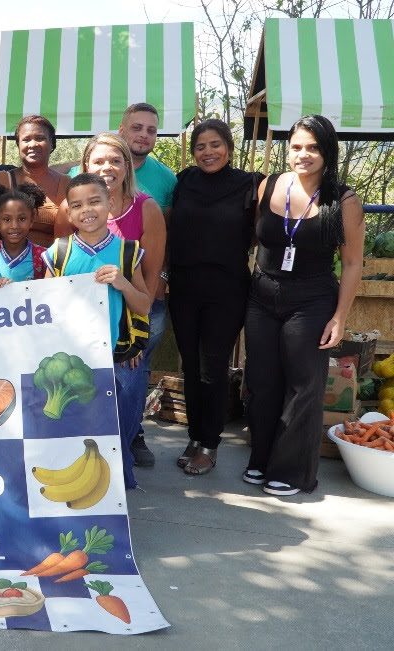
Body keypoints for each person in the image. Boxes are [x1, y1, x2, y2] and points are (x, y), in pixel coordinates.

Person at [243, 115, 364, 496]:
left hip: (311, 300)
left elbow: (352, 264)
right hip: (262, 295)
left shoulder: (343, 201)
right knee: (261, 382)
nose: (303, 154)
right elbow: (254, 238)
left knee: (303, 386)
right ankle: (260, 460)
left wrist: (339, 317)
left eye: (313, 147)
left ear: (327, 152)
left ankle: (293, 472)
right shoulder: (270, 185)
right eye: (296, 146)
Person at [68, 103, 176, 468]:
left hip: (130, 321)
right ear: (85, 167)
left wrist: (135, 340)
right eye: (98, 162)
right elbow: (59, 267)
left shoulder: (147, 209)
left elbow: (151, 276)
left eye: (115, 161)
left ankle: (124, 453)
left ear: (127, 166)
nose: (106, 168)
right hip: (81, 323)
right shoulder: (73, 208)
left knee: (128, 385)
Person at [44, 173, 152, 489]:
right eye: (76, 205)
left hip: (116, 357)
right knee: (75, 427)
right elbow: (45, 307)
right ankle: (77, 484)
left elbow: (144, 305)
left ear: (110, 203)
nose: (86, 210)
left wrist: (122, 282)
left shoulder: (128, 252)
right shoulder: (58, 252)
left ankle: (118, 484)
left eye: (94, 201)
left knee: (117, 427)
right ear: (67, 212)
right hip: (72, 360)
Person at [169, 119, 261, 475]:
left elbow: (257, 232)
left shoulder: (250, 184)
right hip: (184, 288)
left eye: (215, 144)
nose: (208, 152)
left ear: (229, 146)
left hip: (226, 290)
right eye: (200, 146)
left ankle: (210, 443)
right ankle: (194, 436)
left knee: (213, 369)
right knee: (190, 367)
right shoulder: (183, 181)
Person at [0, 116, 69, 249]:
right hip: (9, 263)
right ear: (18, 145)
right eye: (26, 140)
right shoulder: (2, 180)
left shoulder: (66, 184)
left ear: (52, 144)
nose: (32, 144)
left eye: (40, 138)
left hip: (54, 263)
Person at [0, 184, 48, 285]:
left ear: (32, 219)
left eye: (22, 219)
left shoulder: (43, 256)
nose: (14, 226)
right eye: (6, 219)